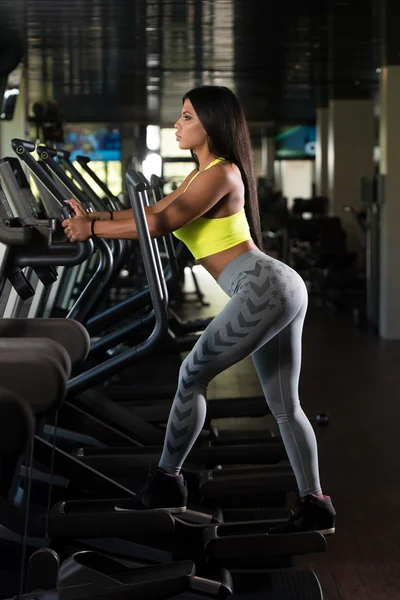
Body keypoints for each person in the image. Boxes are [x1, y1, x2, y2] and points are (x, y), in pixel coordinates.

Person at [62, 85, 336, 535]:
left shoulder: (222, 173)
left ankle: (167, 481)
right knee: (285, 406)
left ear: (211, 123)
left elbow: (159, 224)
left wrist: (91, 227)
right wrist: (89, 219)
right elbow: (148, 211)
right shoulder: (197, 175)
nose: (178, 123)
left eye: (187, 116)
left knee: (193, 373)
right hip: (277, 287)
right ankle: (316, 505)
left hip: (264, 287)